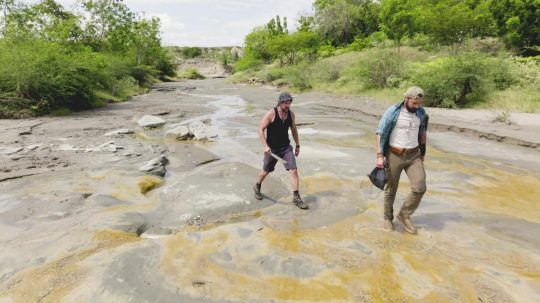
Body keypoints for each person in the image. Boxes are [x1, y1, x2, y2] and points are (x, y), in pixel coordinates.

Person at [375, 86, 429, 234]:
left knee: (420, 187)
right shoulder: (393, 111)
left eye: (419, 103)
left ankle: (404, 215)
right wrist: (380, 156)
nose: (417, 106)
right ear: (406, 99)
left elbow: (423, 134)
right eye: (414, 103)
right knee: (391, 189)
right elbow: (379, 133)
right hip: (394, 154)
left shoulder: (421, 113)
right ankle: (387, 218)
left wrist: (423, 154)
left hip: (414, 155)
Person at [253, 92, 308, 210]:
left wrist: (297, 145)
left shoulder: (291, 115)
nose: (288, 105)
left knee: (293, 170)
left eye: (289, 103)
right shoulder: (271, 114)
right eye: (285, 103)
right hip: (271, 150)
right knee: (266, 171)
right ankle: (257, 186)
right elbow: (260, 129)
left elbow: (293, 129)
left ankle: (296, 197)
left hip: (286, 148)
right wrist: (265, 146)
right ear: (279, 102)